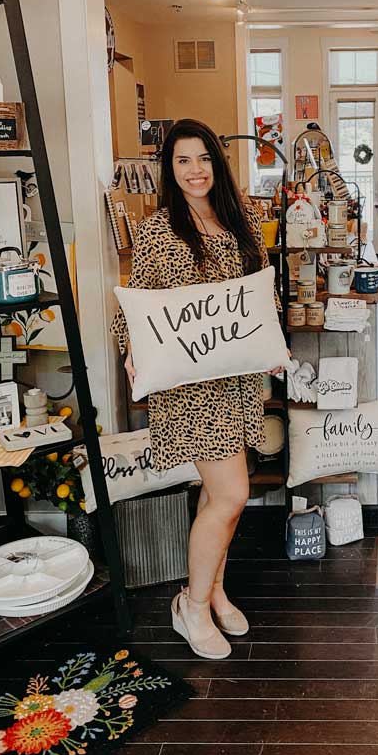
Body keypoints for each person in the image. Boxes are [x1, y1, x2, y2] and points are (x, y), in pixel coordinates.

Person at [111, 118, 283, 660]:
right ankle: (192, 604)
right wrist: (130, 349)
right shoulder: (161, 230)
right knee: (232, 494)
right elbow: (136, 305)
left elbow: (258, 295)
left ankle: (214, 590)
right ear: (170, 168)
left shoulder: (241, 220)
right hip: (189, 386)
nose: (194, 170)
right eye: (182, 160)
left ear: (217, 162)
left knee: (218, 496)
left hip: (233, 380)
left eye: (203, 158)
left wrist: (272, 342)